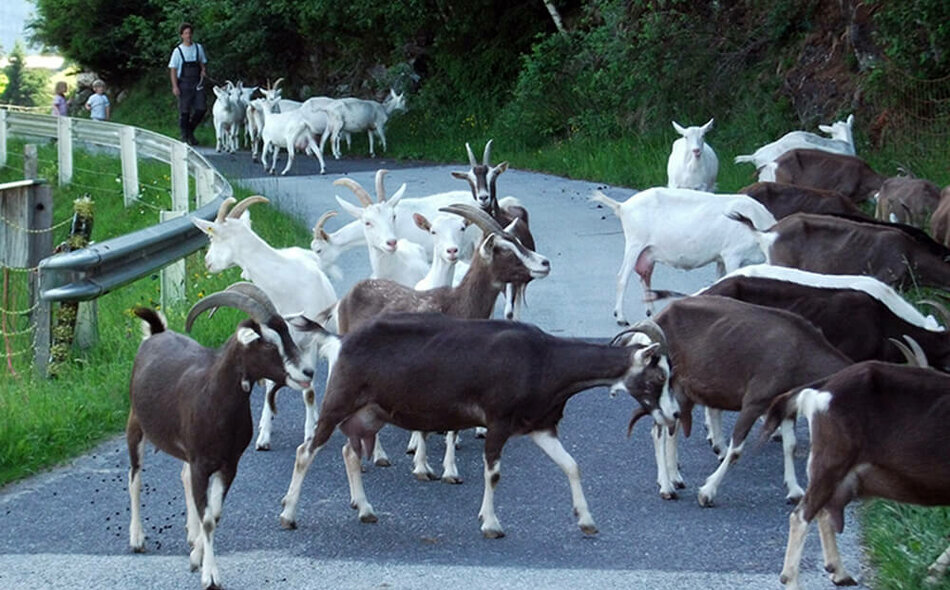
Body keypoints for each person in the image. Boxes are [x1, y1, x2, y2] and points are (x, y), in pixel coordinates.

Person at [168, 22, 208, 145]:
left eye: (190, 33)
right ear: (181, 35)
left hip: (197, 83)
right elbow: (173, 70)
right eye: (185, 33)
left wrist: (203, 71)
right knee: (184, 111)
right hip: (184, 83)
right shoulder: (177, 51)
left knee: (201, 109)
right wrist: (175, 86)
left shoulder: (198, 48)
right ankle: (185, 136)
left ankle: (189, 130)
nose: (188, 35)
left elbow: (202, 63)